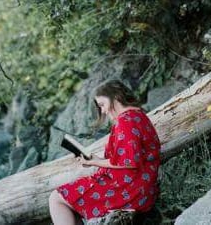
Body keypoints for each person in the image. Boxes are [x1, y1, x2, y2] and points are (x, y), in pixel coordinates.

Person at [49, 80, 161, 225]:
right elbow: (127, 158)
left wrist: (93, 162)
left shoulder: (125, 122)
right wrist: (96, 159)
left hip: (130, 190)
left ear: (115, 97)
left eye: (102, 105)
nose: (103, 111)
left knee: (56, 198)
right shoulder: (139, 116)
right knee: (68, 200)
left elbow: (127, 162)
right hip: (141, 186)